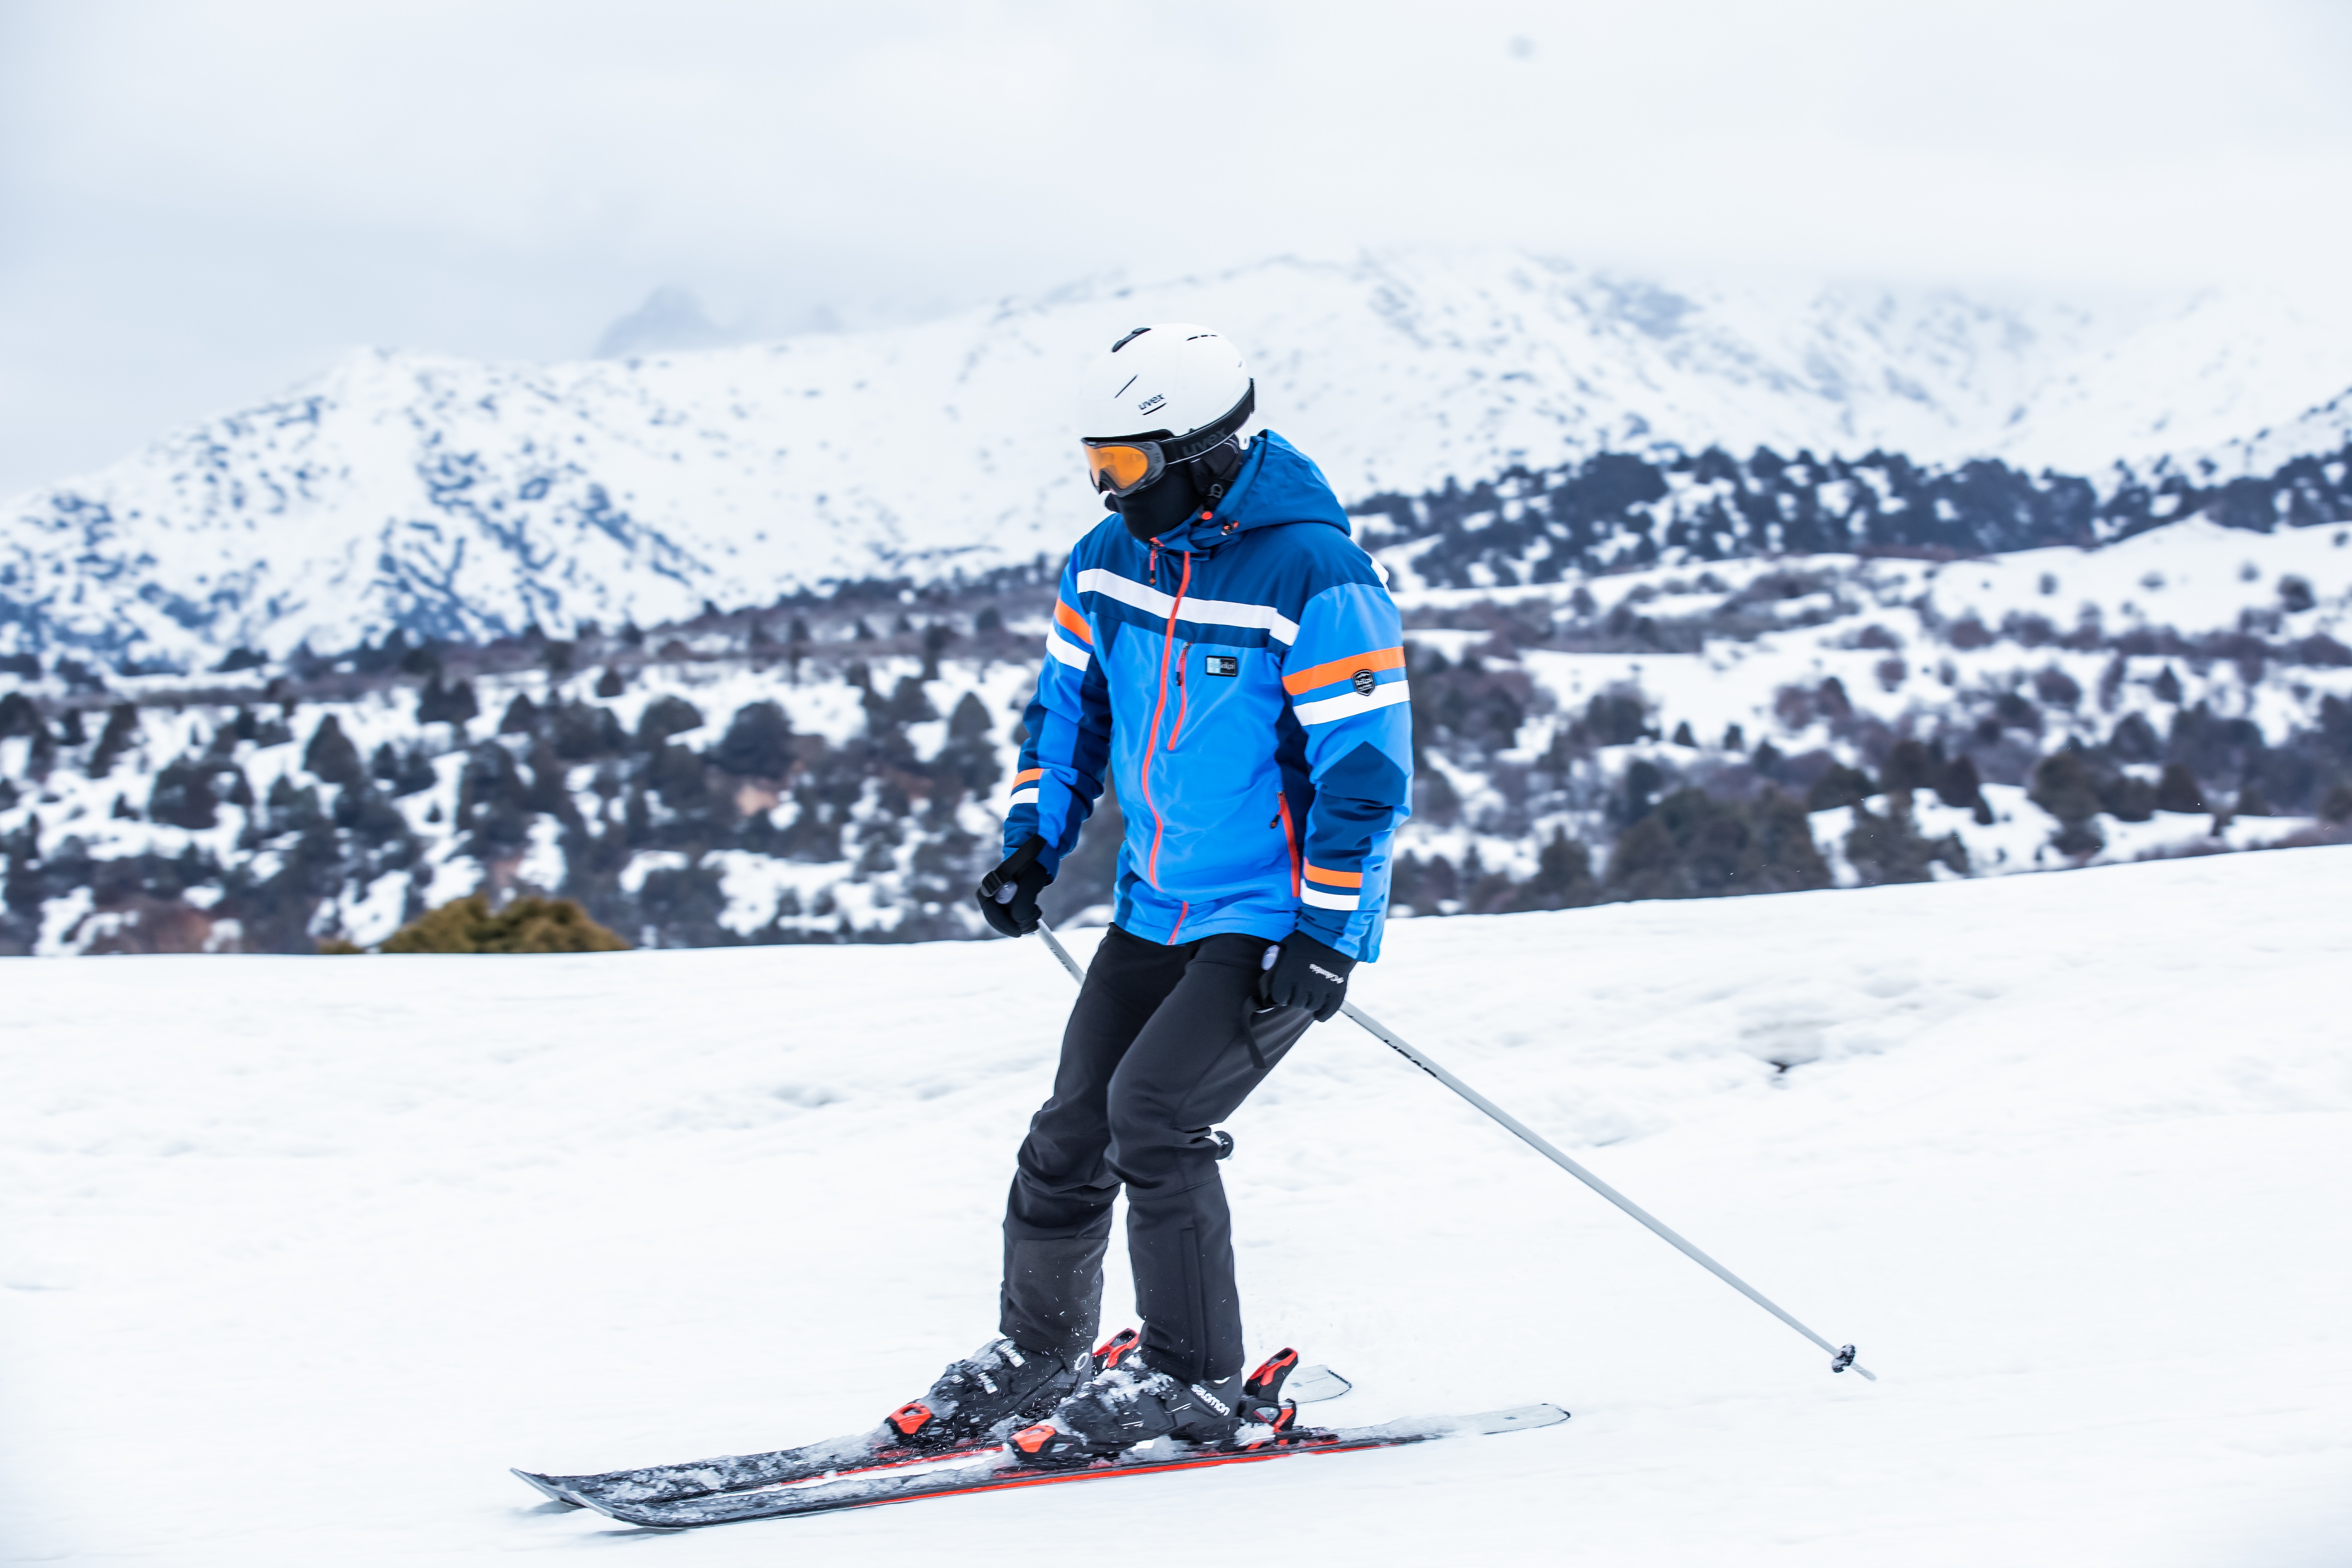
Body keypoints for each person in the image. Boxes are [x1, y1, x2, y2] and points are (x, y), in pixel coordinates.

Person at [882, 323, 1414, 1464]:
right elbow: (1066, 715)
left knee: (1156, 1120)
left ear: (1202, 454)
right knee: (1069, 1134)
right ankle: (1041, 1355)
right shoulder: (1107, 559)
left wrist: (1327, 932)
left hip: (1273, 916)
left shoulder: (1316, 576)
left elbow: (1364, 777)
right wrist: (1033, 844)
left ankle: (1193, 1382)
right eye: (1095, 463)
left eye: (1125, 465)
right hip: (1156, 902)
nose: (1107, 490)